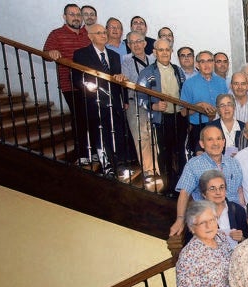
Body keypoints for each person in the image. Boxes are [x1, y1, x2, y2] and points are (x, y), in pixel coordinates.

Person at [72, 23, 129, 177]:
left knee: (116, 133)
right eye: (99, 33)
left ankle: (120, 165)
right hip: (95, 102)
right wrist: (90, 88)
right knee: (101, 136)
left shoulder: (114, 55)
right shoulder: (81, 54)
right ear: (90, 36)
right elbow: (77, 79)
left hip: (114, 102)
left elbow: (120, 78)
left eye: (104, 32)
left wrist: (124, 99)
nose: (104, 35)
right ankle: (108, 168)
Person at [170, 125, 244, 237]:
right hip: (206, 220)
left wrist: (243, 215)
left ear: (224, 142)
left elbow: (240, 191)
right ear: (202, 144)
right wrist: (180, 219)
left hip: (233, 217)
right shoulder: (193, 165)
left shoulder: (234, 163)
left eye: (218, 139)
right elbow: (184, 193)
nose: (215, 143)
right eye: (210, 139)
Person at [176, 200, 240, 287]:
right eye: (202, 223)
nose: (209, 226)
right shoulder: (188, 256)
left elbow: (233, 271)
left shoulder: (221, 237)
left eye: (212, 220)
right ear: (192, 228)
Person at [136, 38, 186, 193]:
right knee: (165, 153)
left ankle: (183, 185)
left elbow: (184, 91)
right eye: (161, 50)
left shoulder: (178, 70)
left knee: (180, 151)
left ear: (171, 52)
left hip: (179, 117)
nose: (165, 53)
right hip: (161, 119)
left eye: (167, 50)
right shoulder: (147, 73)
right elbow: (139, 97)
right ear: (154, 52)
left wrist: (185, 107)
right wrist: (154, 106)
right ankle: (168, 185)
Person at [43, 4, 91, 164]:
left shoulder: (87, 34)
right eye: (72, 14)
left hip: (90, 84)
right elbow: (45, 53)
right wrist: (51, 53)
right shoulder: (56, 34)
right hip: (70, 85)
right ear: (65, 17)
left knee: (92, 118)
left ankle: (93, 151)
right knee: (79, 118)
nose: (76, 17)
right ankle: (81, 154)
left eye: (78, 14)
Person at [122, 31, 159, 187]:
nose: (136, 45)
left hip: (155, 103)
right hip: (135, 102)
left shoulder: (153, 59)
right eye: (132, 42)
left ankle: (158, 167)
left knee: (155, 137)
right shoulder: (126, 61)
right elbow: (129, 81)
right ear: (129, 45)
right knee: (142, 137)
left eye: (139, 41)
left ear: (145, 43)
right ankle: (148, 171)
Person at [181, 50, 228, 158]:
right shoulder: (189, 84)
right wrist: (198, 106)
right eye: (202, 62)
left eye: (210, 61)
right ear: (197, 65)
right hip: (198, 128)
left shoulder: (221, 82)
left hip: (219, 126)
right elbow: (183, 112)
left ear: (213, 63)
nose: (207, 65)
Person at [198, 170, 248, 247]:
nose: (218, 192)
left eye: (221, 187)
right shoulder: (198, 215)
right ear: (204, 194)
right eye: (212, 188)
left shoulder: (238, 210)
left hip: (234, 256)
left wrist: (241, 238)